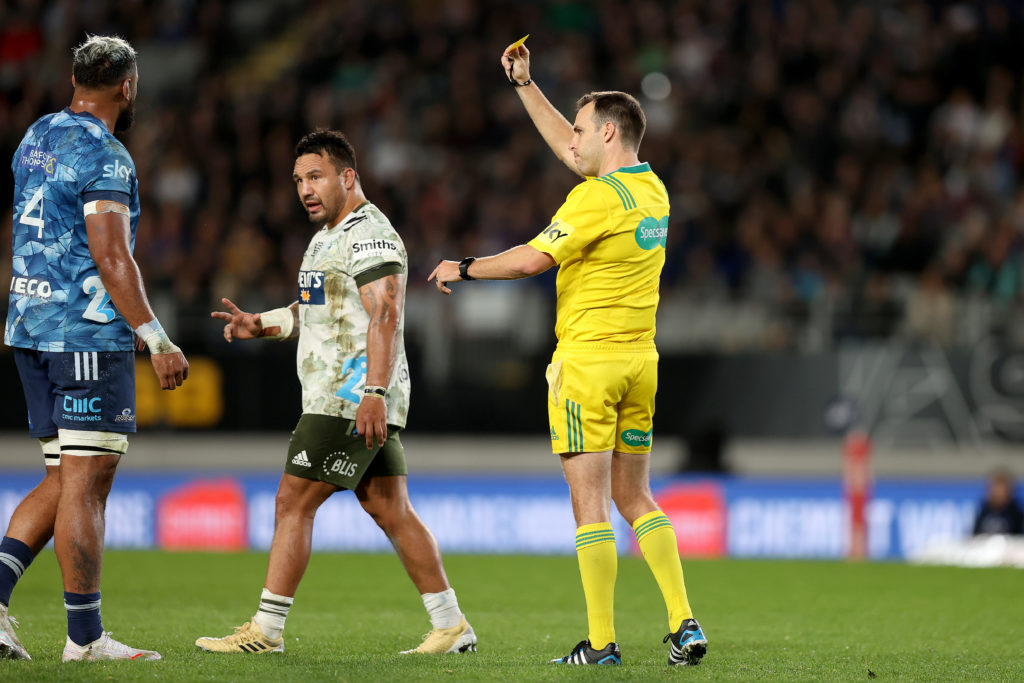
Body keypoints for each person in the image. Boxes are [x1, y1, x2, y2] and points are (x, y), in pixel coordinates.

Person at [428, 41, 708, 666]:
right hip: (641, 364)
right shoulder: (652, 190)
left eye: (582, 129)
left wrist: (466, 267)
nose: (572, 140)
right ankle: (683, 622)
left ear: (608, 132)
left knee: (590, 506)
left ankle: (603, 643)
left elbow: (531, 258)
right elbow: (571, 151)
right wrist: (527, 86)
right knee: (637, 498)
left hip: (587, 366)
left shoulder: (592, 201)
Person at [196, 129, 476, 656]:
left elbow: (385, 312)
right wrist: (265, 322)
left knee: (291, 502)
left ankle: (266, 631)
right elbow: (317, 311)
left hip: (347, 396)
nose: (305, 188)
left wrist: (373, 389)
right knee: (390, 507)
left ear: (348, 176)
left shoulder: (369, 233)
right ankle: (452, 625)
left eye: (316, 176)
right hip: (354, 392)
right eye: (299, 179)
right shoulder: (326, 236)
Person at [0, 35, 189, 662]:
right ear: (128, 86)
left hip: (29, 325)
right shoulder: (106, 156)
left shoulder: (36, 136)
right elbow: (111, 256)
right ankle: (84, 640)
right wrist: (156, 337)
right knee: (86, 483)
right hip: (82, 333)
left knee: (64, 476)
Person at [973, 469, 1023, 536]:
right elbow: (975, 535)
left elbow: (1019, 539)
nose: (998, 492)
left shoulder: (1015, 513)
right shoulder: (985, 510)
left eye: (1001, 488)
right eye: (995, 487)